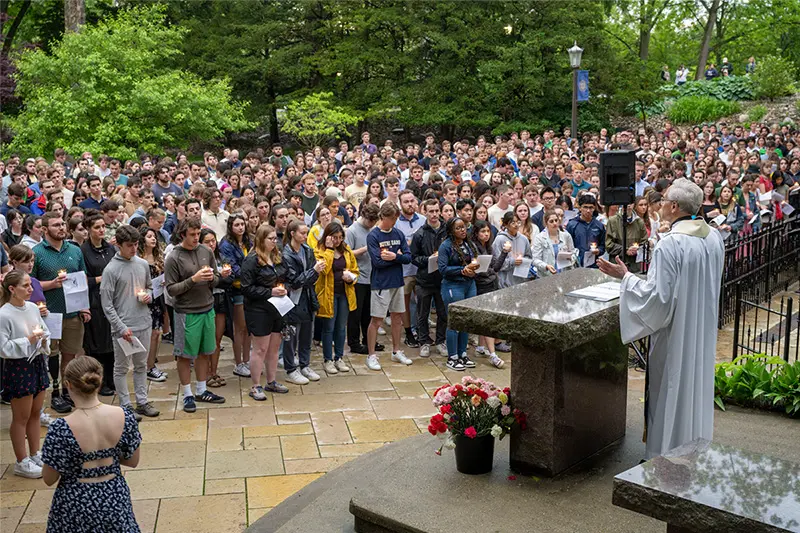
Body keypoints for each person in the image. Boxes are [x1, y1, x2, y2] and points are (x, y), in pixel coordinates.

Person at [598, 178, 725, 459]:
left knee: (670, 387)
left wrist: (626, 278)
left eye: (665, 200)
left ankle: (663, 456)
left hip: (676, 333)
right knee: (693, 387)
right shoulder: (714, 237)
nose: (662, 204)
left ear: (675, 207)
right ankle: (691, 448)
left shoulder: (670, 245)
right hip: (700, 329)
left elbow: (658, 299)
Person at [41, 356, 141, 531]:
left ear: (68, 384)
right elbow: (132, 461)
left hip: (75, 503)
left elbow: (49, 479)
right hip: (113, 497)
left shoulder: (60, 428)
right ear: (99, 381)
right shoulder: (125, 416)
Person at [165, 218, 227, 413]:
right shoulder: (174, 257)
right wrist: (193, 279)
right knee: (184, 355)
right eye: (191, 235)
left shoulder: (206, 251)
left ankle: (202, 389)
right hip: (186, 312)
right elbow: (171, 289)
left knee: (204, 351)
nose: (195, 238)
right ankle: (187, 394)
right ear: (182, 235)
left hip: (207, 308)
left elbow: (216, 278)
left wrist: (213, 279)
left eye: (197, 234)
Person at [32, 213, 90, 414]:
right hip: (49, 314)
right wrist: (51, 284)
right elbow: (29, 284)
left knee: (70, 354)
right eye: (56, 225)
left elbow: (81, 279)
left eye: (63, 224)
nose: (61, 227)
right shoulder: (37, 253)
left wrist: (85, 306)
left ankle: (67, 390)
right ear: (45, 229)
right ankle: (54, 392)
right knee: (52, 355)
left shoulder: (74, 250)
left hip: (73, 313)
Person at [100, 224, 160, 420]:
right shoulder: (111, 270)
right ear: (119, 245)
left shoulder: (142, 264)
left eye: (136, 244)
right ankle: (125, 405)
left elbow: (151, 288)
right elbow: (107, 305)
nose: (133, 249)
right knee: (121, 367)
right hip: (124, 326)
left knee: (142, 365)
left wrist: (149, 296)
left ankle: (142, 401)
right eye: (129, 245)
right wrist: (120, 327)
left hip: (143, 321)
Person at [0, 270, 51, 478]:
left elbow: (44, 329)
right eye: (26, 286)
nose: (31, 289)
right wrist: (28, 340)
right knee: (20, 416)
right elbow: (3, 347)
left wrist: (43, 338)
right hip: (18, 366)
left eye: (31, 285)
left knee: (35, 412)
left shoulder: (31, 307)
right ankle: (21, 461)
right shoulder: (4, 314)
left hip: (36, 361)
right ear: (12, 289)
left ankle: (35, 453)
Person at [242, 224, 288, 399]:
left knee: (274, 348)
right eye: (271, 239)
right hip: (258, 309)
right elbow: (246, 288)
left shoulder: (276, 256)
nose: (274, 242)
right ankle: (255, 385)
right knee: (260, 348)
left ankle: (271, 381)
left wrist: (283, 288)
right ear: (261, 240)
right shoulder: (251, 260)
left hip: (277, 307)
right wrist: (270, 292)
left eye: (276, 239)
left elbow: (285, 275)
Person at [366, 202, 413, 370]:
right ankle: (371, 355)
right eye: (392, 219)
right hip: (381, 284)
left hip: (397, 281)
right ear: (383, 217)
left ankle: (396, 351)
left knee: (397, 317)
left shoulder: (398, 233)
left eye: (396, 218)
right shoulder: (373, 236)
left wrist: (394, 257)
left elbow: (408, 257)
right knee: (377, 320)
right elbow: (377, 262)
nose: (394, 222)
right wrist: (397, 257)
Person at [282, 220, 325, 385]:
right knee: (291, 335)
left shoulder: (307, 250)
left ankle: (304, 364)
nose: (305, 236)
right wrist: (313, 271)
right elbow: (294, 281)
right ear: (292, 234)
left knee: (307, 332)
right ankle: (290, 368)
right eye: (302, 233)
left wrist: (313, 273)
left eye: (306, 233)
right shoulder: (286, 254)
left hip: (307, 297)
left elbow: (312, 277)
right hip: (293, 299)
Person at [314, 221, 359, 374]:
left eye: (340, 237)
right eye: (334, 237)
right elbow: (324, 270)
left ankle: (339, 357)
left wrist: (351, 278)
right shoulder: (320, 250)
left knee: (341, 328)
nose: (338, 240)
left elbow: (355, 270)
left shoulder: (346, 250)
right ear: (328, 237)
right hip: (328, 294)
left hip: (344, 293)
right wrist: (329, 249)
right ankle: (328, 359)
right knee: (329, 327)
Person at [81, 213, 117, 396]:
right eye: (97, 227)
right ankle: (99, 381)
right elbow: (80, 280)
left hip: (111, 298)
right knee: (97, 344)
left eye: (103, 226)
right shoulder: (83, 251)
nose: (102, 230)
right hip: (94, 301)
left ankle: (111, 379)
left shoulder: (110, 249)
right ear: (88, 229)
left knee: (111, 343)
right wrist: (100, 279)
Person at [438, 217, 479, 371]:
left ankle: (462, 353)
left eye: (464, 227)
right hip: (453, 285)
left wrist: (475, 266)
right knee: (455, 321)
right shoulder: (445, 246)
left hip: (469, 284)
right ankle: (452, 356)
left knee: (466, 320)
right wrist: (461, 270)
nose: (463, 230)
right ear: (451, 231)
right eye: (458, 228)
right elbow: (442, 269)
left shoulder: (468, 244)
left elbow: (473, 260)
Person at [410, 199, 447, 358]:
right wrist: (429, 259)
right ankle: (424, 341)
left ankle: (440, 341)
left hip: (442, 279)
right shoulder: (419, 233)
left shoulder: (446, 230)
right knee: (423, 313)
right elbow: (413, 257)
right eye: (431, 211)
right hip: (424, 280)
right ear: (425, 212)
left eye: (436, 211)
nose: (434, 214)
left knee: (443, 313)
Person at [470, 219, 509, 368]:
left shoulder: (489, 248)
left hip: (492, 284)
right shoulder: (474, 248)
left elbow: (495, 267)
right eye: (482, 232)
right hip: (482, 286)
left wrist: (504, 253)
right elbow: (481, 271)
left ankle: (481, 346)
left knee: (486, 318)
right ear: (476, 233)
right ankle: (493, 354)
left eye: (487, 231)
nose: (486, 234)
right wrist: (490, 272)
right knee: (488, 320)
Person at [219, 213, 252, 378]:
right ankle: (238, 363)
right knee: (239, 327)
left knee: (248, 328)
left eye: (242, 224)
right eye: (237, 225)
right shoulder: (226, 244)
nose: (241, 227)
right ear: (231, 227)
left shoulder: (248, 241)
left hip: (249, 288)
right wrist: (250, 275)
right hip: (237, 288)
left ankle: (247, 360)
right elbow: (231, 266)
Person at [345, 203, 381, 355]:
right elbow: (347, 253)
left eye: (374, 222)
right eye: (370, 222)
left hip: (372, 276)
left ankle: (368, 340)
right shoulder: (352, 230)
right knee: (355, 313)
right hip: (357, 277)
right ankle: (354, 342)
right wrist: (366, 248)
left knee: (368, 312)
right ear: (364, 217)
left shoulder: (373, 229)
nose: (372, 225)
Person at [137, 227, 168, 382]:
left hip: (157, 299)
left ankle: (151, 365)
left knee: (157, 333)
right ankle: (145, 367)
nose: (153, 239)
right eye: (149, 236)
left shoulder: (158, 257)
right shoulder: (139, 259)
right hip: (144, 300)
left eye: (154, 236)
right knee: (148, 334)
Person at [493, 211, 533, 288]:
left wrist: (523, 260)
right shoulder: (499, 239)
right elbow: (496, 263)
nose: (516, 225)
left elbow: (529, 256)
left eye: (518, 222)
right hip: (505, 282)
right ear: (506, 225)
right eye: (512, 223)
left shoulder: (524, 239)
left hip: (521, 279)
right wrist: (513, 261)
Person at [605, 205, 648, 273]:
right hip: (617, 266)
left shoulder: (639, 222)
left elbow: (645, 242)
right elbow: (609, 245)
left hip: (634, 267)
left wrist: (636, 249)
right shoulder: (613, 221)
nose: (628, 204)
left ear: (634, 203)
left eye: (630, 202)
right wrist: (625, 250)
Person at [532, 210, 576, 276]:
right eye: (551, 221)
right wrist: (546, 266)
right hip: (546, 275)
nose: (555, 223)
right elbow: (535, 259)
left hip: (565, 273)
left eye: (556, 220)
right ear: (546, 223)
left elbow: (573, 253)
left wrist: (571, 258)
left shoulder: (566, 236)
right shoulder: (539, 238)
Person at [567, 194, 605, 268]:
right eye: (585, 207)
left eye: (591, 208)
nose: (588, 210)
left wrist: (599, 251)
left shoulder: (599, 225)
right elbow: (567, 245)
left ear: (594, 208)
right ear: (580, 208)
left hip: (594, 265)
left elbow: (603, 245)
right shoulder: (572, 225)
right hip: (576, 265)